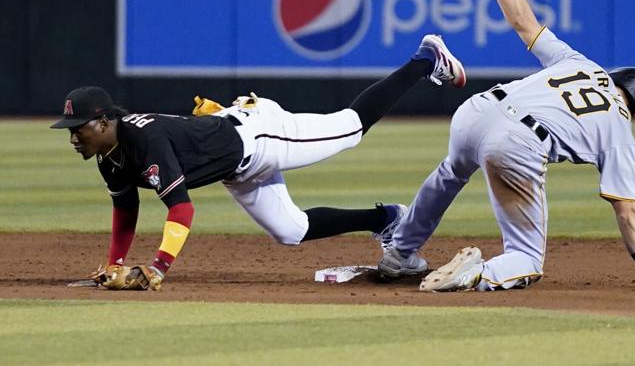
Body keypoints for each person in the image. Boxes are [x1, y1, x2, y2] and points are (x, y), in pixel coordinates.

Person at [378, 0, 635, 293]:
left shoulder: (581, 63)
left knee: (450, 173)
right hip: (518, 141)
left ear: (612, 77)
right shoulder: (620, 129)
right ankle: (478, 273)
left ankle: (399, 253)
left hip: (478, 109)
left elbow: (523, 21)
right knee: (526, 259)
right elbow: (626, 208)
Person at [51, 34, 466, 291]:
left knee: (350, 129)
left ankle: (426, 59)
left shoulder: (142, 139)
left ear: (105, 121)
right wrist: (115, 263)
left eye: (79, 126)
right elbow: (126, 210)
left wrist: (159, 268)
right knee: (291, 230)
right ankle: (387, 219)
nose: (73, 135)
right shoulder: (108, 155)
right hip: (236, 166)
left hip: (258, 136)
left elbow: (182, 208)